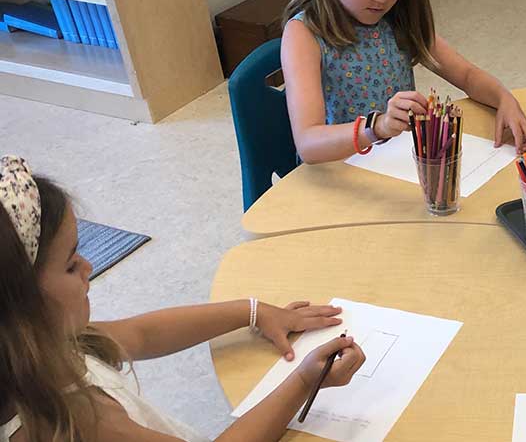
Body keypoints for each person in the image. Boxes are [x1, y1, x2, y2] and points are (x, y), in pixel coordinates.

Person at [0, 155, 365, 441]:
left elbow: (143, 334)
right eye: (69, 264)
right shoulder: (75, 419)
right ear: (21, 304)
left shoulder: (42, 348)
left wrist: (252, 311)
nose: (88, 266)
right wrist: (303, 382)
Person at [281, 0, 526, 164]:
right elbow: (308, 143)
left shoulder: (397, 17)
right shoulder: (303, 34)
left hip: (398, 166)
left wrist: (504, 99)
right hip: (338, 174)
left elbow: (467, 75)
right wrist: (377, 127)